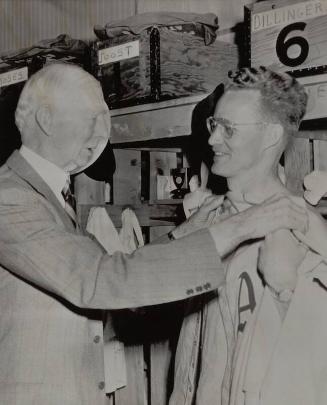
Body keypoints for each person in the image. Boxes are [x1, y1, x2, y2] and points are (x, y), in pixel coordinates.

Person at [0, 63, 308, 405]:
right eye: (93, 119)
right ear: (46, 120)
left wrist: (185, 234)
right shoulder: (11, 198)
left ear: (271, 136)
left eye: (228, 128)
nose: (102, 133)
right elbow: (101, 278)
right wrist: (237, 227)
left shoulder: (50, 192)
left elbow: (110, 263)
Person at [169, 67, 327, 405]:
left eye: (229, 129)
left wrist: (286, 293)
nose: (212, 139)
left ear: (270, 136)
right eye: (214, 125)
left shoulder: (304, 232)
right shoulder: (207, 219)